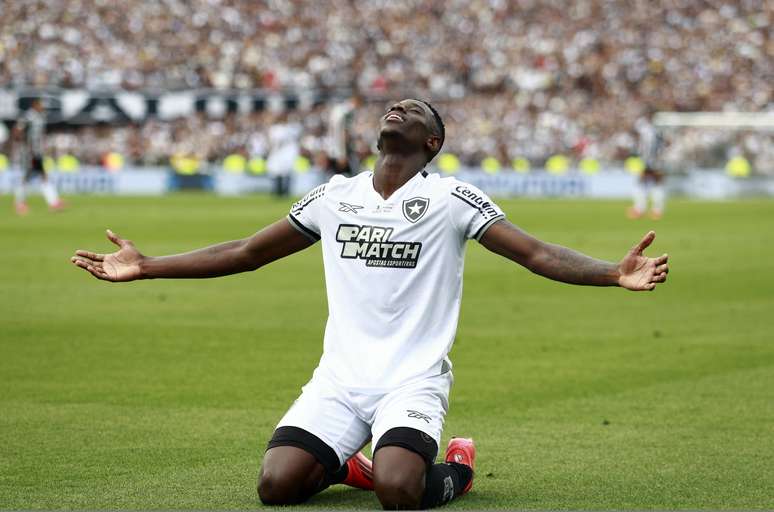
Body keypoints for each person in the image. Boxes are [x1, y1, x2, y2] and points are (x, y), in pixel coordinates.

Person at [71, 99, 669, 509]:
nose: (397, 109)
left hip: (412, 378)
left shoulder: (453, 199)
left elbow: (537, 253)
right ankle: (354, 460)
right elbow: (248, 251)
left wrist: (611, 274)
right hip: (340, 378)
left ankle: (457, 466)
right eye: (394, 106)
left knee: (400, 494)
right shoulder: (336, 195)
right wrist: (148, 265)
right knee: (276, 488)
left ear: (430, 142)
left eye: (413, 111)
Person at [13, 98, 64, 215]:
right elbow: (17, 131)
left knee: (42, 175)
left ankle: (53, 202)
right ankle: (20, 203)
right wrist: (26, 146)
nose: (43, 107)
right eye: (41, 105)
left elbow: (39, 135)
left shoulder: (40, 117)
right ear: (35, 105)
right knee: (27, 177)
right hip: (29, 153)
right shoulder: (28, 117)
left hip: (36, 152)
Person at [628, 117, 666, 220]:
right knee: (656, 185)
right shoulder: (657, 132)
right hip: (658, 162)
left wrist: (647, 163)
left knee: (640, 184)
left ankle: (640, 209)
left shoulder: (647, 135)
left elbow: (648, 150)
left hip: (649, 162)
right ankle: (656, 210)